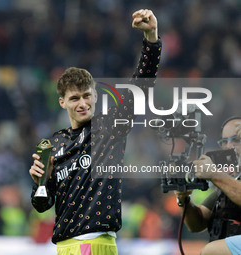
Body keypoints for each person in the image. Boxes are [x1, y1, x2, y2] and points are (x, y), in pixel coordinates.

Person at [29, 9, 162, 255]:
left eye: (87, 96)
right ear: (62, 102)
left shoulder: (109, 127)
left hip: (96, 242)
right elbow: (41, 205)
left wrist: (151, 38)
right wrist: (42, 182)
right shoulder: (53, 144)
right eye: (74, 98)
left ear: (95, 96)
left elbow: (141, 86)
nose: (82, 103)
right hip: (63, 246)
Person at [175, 116, 241, 255]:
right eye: (224, 142)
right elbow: (197, 224)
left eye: (236, 140)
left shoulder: (224, 180)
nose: (229, 147)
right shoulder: (229, 182)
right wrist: (184, 200)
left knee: (211, 251)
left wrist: (213, 174)